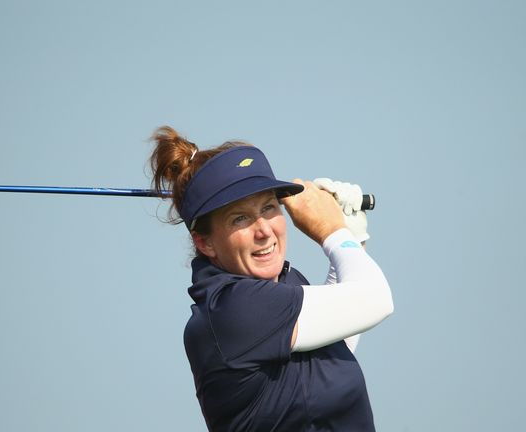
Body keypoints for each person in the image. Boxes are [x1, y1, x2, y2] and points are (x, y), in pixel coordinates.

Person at [148, 126, 394, 431]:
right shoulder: (232, 309)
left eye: (269, 207)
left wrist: (354, 236)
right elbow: (376, 300)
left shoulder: (283, 284)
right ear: (204, 242)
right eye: (240, 217)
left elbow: (334, 337)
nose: (264, 230)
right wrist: (334, 232)